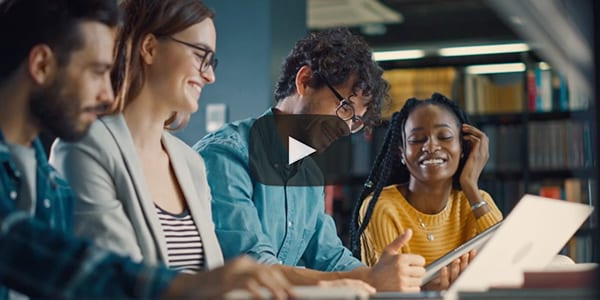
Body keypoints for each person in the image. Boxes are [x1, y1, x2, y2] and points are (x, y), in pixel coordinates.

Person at [0, 0, 291, 299]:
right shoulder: (79, 152)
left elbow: (67, 268)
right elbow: (79, 269)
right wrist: (185, 286)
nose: (106, 93)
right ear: (41, 65)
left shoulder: (47, 183)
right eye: (96, 71)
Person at [194, 28, 426, 292]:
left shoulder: (310, 175)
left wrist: (386, 278)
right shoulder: (227, 155)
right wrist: (368, 280)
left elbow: (330, 258)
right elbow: (253, 268)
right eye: (345, 108)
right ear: (304, 81)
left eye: (354, 121)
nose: (344, 129)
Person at [50, 0, 223, 274]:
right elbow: (117, 277)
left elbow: (212, 275)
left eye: (212, 61)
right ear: (150, 48)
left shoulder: (191, 163)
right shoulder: (84, 147)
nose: (210, 75)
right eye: (201, 55)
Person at [350, 93, 503, 290]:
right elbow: (390, 290)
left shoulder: (478, 201)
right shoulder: (382, 207)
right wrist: (434, 289)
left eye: (445, 137)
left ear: (464, 147)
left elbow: (508, 266)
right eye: (417, 139)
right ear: (402, 153)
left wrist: (470, 185)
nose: (430, 146)